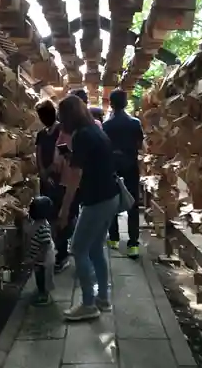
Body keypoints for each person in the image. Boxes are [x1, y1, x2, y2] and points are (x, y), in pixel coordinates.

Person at [57, 95, 120, 321]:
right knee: (95, 249)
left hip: (97, 200)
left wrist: (64, 210)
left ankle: (88, 304)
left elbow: (75, 177)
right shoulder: (95, 130)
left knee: (78, 249)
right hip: (109, 196)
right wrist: (70, 157)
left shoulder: (83, 135)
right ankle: (102, 298)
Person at [102, 89, 144, 258]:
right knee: (133, 202)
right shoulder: (135, 123)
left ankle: (113, 238)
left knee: (112, 200)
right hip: (131, 165)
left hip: (112, 167)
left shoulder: (106, 125)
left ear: (111, 104)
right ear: (126, 103)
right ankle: (133, 243)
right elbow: (140, 144)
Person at [34, 99, 72, 273]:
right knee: (49, 216)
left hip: (58, 179)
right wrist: (42, 172)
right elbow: (39, 153)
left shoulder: (61, 131)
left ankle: (62, 253)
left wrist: (49, 172)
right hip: (46, 180)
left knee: (59, 216)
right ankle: (54, 249)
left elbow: (62, 157)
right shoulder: (42, 134)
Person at [21, 196, 56, 306]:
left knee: (44, 277)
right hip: (39, 258)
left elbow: (45, 245)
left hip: (44, 259)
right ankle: (41, 290)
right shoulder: (38, 222)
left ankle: (44, 295)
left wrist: (37, 258)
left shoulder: (43, 228)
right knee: (39, 275)